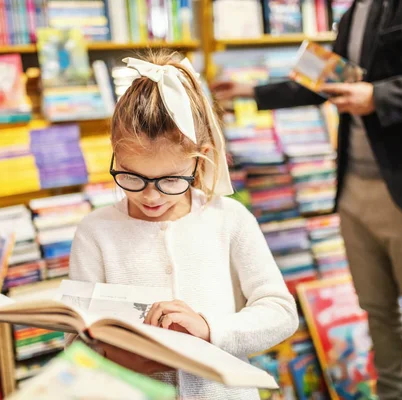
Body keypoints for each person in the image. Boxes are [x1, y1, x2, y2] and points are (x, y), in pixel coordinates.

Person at [211, 0, 402, 399]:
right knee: (376, 310)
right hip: (354, 189)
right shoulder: (358, 9)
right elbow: (327, 80)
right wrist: (251, 90)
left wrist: (380, 96)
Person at [68, 52, 299, 399]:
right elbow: (75, 340)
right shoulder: (95, 232)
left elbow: (280, 312)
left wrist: (210, 329)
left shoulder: (229, 219)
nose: (149, 196)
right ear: (115, 154)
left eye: (170, 181)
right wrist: (116, 355)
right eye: (132, 177)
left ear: (199, 158)